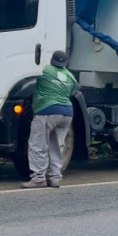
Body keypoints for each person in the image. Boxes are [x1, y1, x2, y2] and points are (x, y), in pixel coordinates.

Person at [21, 50, 78, 189]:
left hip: (47, 111)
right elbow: (75, 89)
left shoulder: (45, 70)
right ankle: (55, 178)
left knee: (38, 145)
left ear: (52, 60)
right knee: (56, 146)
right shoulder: (69, 75)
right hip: (67, 113)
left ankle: (39, 178)